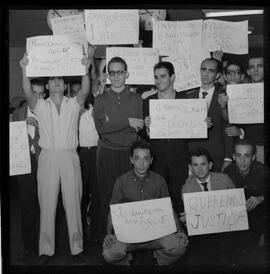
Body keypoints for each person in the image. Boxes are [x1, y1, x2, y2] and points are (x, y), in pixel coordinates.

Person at [19, 47, 92, 264]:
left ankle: (77, 248)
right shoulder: (40, 105)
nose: (57, 82)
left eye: (60, 79)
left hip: (70, 157)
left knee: (73, 202)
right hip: (48, 158)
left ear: (65, 84)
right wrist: (24, 69)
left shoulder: (73, 104)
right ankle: (45, 250)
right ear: (48, 85)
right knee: (48, 204)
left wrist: (85, 68)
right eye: (53, 79)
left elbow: (85, 90)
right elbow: (27, 93)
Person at [102, 140, 188, 265]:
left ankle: (159, 256)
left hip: (156, 235)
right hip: (128, 237)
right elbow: (112, 210)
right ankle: (126, 259)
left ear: (151, 160)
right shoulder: (121, 181)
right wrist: (108, 233)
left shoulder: (159, 180)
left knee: (180, 246)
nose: (141, 164)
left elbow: (169, 208)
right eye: (137, 158)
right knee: (108, 254)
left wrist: (180, 231)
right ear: (131, 159)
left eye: (146, 159)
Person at [93, 56, 144, 239]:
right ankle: (111, 239)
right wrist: (126, 121)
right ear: (108, 75)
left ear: (126, 74)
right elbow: (101, 129)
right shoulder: (100, 100)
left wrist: (112, 123)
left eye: (120, 72)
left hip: (129, 154)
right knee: (109, 197)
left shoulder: (136, 99)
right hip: (107, 153)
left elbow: (137, 126)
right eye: (112, 72)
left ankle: (133, 239)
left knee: (131, 196)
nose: (116, 76)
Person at [142, 61, 189, 214]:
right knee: (159, 201)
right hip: (158, 159)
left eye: (162, 76)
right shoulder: (148, 102)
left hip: (180, 159)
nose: (158, 81)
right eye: (156, 77)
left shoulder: (186, 100)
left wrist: (201, 124)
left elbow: (193, 131)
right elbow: (143, 136)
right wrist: (147, 128)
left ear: (173, 77)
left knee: (181, 199)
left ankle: (184, 236)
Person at [180, 147, 235, 265]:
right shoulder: (187, 189)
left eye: (203, 164)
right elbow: (192, 222)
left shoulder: (224, 180)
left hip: (225, 229)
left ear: (210, 165)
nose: (199, 169)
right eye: (195, 165)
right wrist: (187, 220)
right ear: (190, 168)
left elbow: (237, 205)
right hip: (203, 235)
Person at [12, 78, 46, 261]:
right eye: (34, 92)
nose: (38, 97)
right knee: (27, 207)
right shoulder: (17, 113)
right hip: (24, 163)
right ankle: (29, 246)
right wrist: (21, 125)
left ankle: (45, 246)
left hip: (44, 162)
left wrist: (42, 126)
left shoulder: (48, 112)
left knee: (45, 206)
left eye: (41, 93)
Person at [184, 57, 233, 172]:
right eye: (203, 69)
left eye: (211, 71)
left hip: (216, 156)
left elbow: (228, 127)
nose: (206, 74)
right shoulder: (188, 96)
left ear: (217, 75)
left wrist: (228, 158)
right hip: (192, 156)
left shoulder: (225, 96)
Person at [223, 139, 264, 262]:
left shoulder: (263, 170)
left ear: (253, 157)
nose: (242, 160)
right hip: (236, 220)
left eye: (247, 156)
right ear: (233, 157)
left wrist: (261, 198)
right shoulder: (227, 172)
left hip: (259, 219)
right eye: (239, 156)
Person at [78, 91, 99, 246]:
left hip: (97, 152)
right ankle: (81, 235)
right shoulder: (74, 109)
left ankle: (97, 234)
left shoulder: (97, 107)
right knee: (81, 194)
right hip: (81, 153)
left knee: (97, 193)